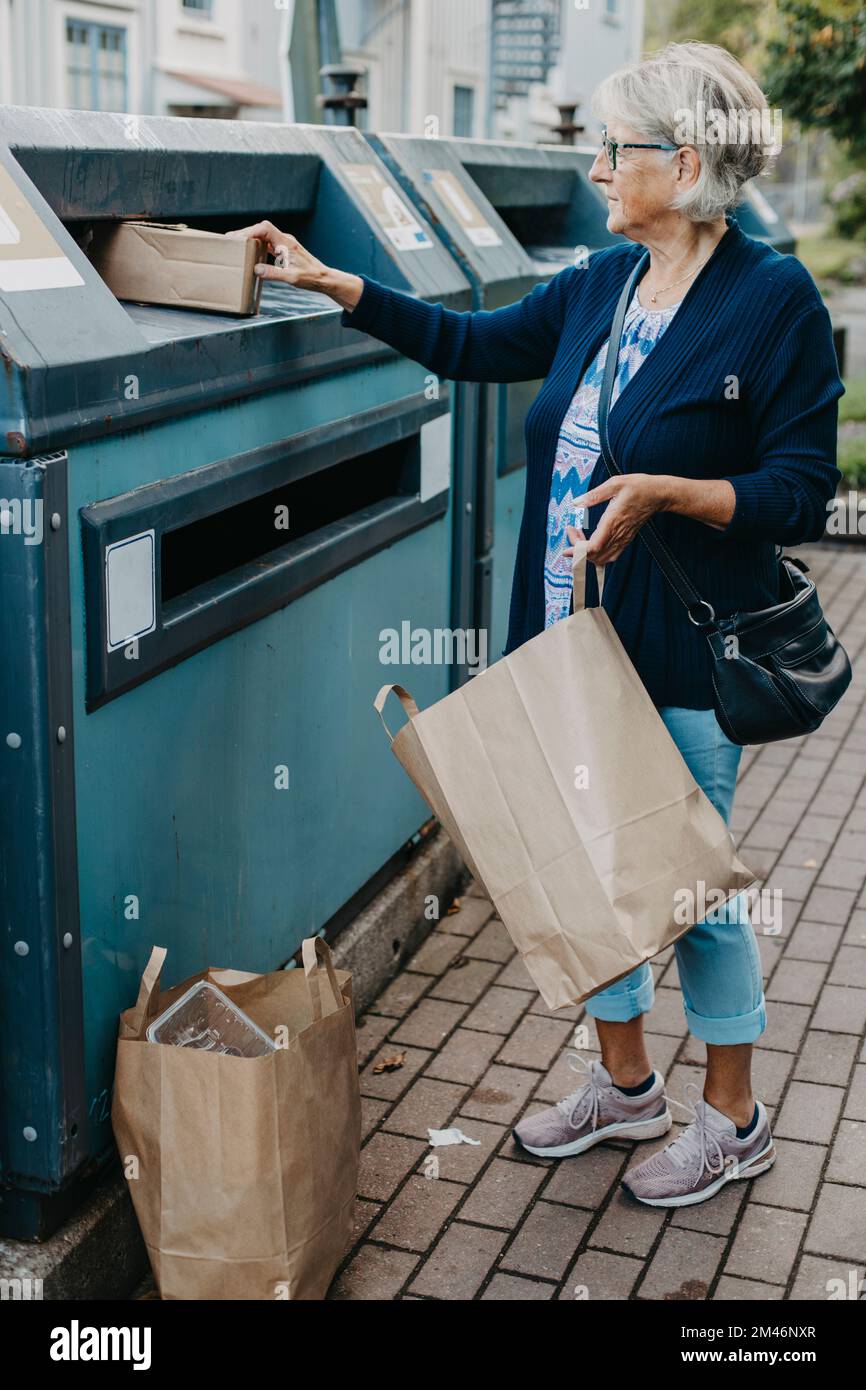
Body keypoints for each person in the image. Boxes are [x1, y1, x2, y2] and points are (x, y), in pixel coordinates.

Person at [228, 42, 843, 1208]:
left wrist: (667, 491)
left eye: (617, 148)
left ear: (688, 159)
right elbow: (473, 346)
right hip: (562, 638)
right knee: (582, 868)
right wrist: (332, 281)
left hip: (677, 653)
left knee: (687, 887)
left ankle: (732, 1113)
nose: (598, 166)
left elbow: (799, 490)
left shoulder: (772, 302)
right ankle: (624, 1085)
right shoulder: (600, 282)